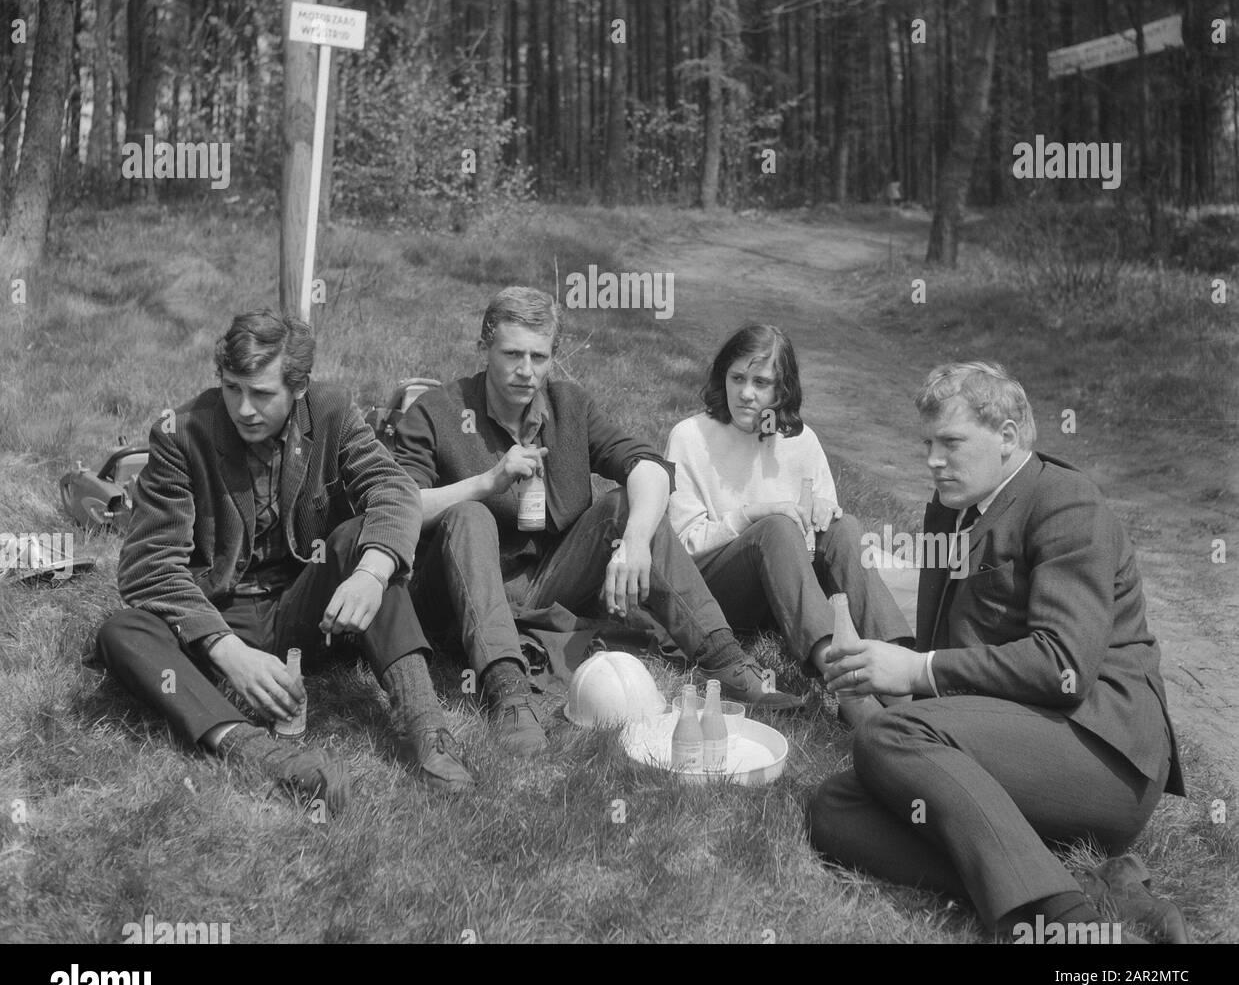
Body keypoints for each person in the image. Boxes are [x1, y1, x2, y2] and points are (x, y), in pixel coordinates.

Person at [807, 361, 1185, 942]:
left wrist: (915, 670)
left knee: (890, 736)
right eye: (927, 443)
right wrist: (888, 675)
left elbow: (1063, 666)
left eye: (951, 442)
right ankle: (1073, 889)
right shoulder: (948, 510)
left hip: (1100, 752)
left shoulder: (1066, 503)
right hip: (1016, 741)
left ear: (1008, 438)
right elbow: (950, 657)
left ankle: (1059, 925)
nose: (933, 459)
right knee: (834, 805)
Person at [391, 286, 804, 759]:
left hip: (545, 586)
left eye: (539, 356)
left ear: (553, 356)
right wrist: (487, 482)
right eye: (511, 354)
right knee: (469, 513)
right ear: (484, 345)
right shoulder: (438, 411)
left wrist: (634, 542)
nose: (526, 371)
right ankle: (508, 693)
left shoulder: (569, 406)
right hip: (456, 593)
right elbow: (399, 505)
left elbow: (647, 466)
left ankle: (724, 661)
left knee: (626, 505)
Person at [93, 310, 475, 809]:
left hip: (310, 612)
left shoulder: (332, 410)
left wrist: (371, 572)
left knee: (363, 537)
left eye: (262, 393)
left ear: (298, 387)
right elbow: (148, 565)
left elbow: (393, 489)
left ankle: (425, 729)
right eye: (233, 388)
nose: (244, 409)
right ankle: (260, 755)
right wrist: (227, 652)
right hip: (219, 614)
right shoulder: (181, 433)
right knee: (122, 632)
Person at [663, 324, 912, 727]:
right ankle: (841, 677)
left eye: (761, 383)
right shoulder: (690, 436)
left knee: (844, 527)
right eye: (737, 378)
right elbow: (683, 547)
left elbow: (823, 526)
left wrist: (823, 514)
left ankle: (899, 679)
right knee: (776, 526)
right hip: (716, 593)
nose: (746, 393)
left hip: (786, 590)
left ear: (782, 391)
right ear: (721, 377)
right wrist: (751, 513)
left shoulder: (802, 440)